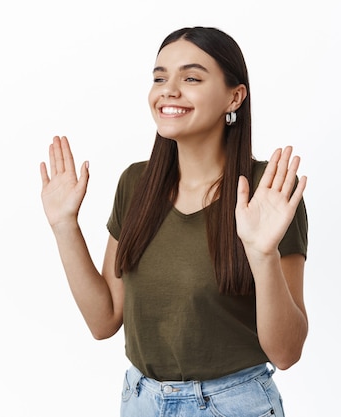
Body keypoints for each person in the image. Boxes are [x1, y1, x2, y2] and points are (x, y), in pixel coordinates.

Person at [40, 26, 308, 417]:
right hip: (141, 401)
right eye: (160, 77)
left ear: (235, 96)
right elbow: (103, 321)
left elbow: (285, 353)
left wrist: (262, 253)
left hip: (234, 405)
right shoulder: (136, 184)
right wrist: (64, 225)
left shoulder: (267, 193)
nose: (168, 89)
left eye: (191, 77)